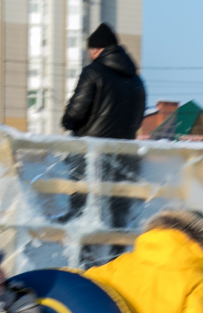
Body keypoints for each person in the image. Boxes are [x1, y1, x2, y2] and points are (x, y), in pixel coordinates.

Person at [60, 23, 146, 228]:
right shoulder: (136, 80)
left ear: (96, 49)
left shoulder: (93, 72)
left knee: (83, 212)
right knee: (118, 219)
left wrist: (68, 122)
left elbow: (74, 113)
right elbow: (138, 119)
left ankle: (84, 256)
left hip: (92, 155)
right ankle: (118, 253)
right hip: (125, 156)